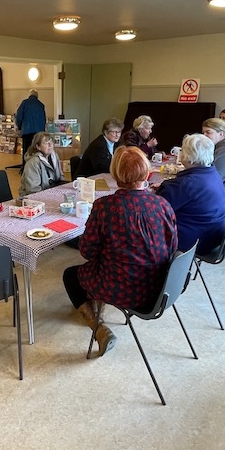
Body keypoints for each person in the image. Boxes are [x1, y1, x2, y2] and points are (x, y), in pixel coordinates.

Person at [62, 147, 177, 357]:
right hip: (160, 287)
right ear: (146, 173)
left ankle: (100, 329)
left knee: (71, 275)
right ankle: (98, 311)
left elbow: (87, 251)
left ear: (116, 174)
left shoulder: (105, 206)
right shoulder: (163, 205)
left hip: (123, 290)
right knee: (107, 266)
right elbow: (172, 248)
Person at [157, 134, 225, 254]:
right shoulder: (213, 173)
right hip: (216, 234)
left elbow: (156, 211)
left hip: (196, 241)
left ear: (189, 157)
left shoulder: (185, 184)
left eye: (182, 149)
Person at [19, 131, 63, 196]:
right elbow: (33, 190)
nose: (50, 145)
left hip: (51, 193)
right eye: (46, 143)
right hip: (33, 198)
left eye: (51, 142)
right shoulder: (33, 162)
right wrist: (52, 195)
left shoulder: (54, 156)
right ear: (38, 146)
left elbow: (61, 177)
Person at [15, 90, 47, 160]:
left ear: (29, 95)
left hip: (27, 131)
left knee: (26, 151)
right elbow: (44, 119)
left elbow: (19, 117)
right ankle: (37, 167)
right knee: (37, 151)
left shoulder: (24, 103)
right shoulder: (41, 105)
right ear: (37, 96)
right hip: (39, 132)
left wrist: (20, 127)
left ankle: (25, 167)